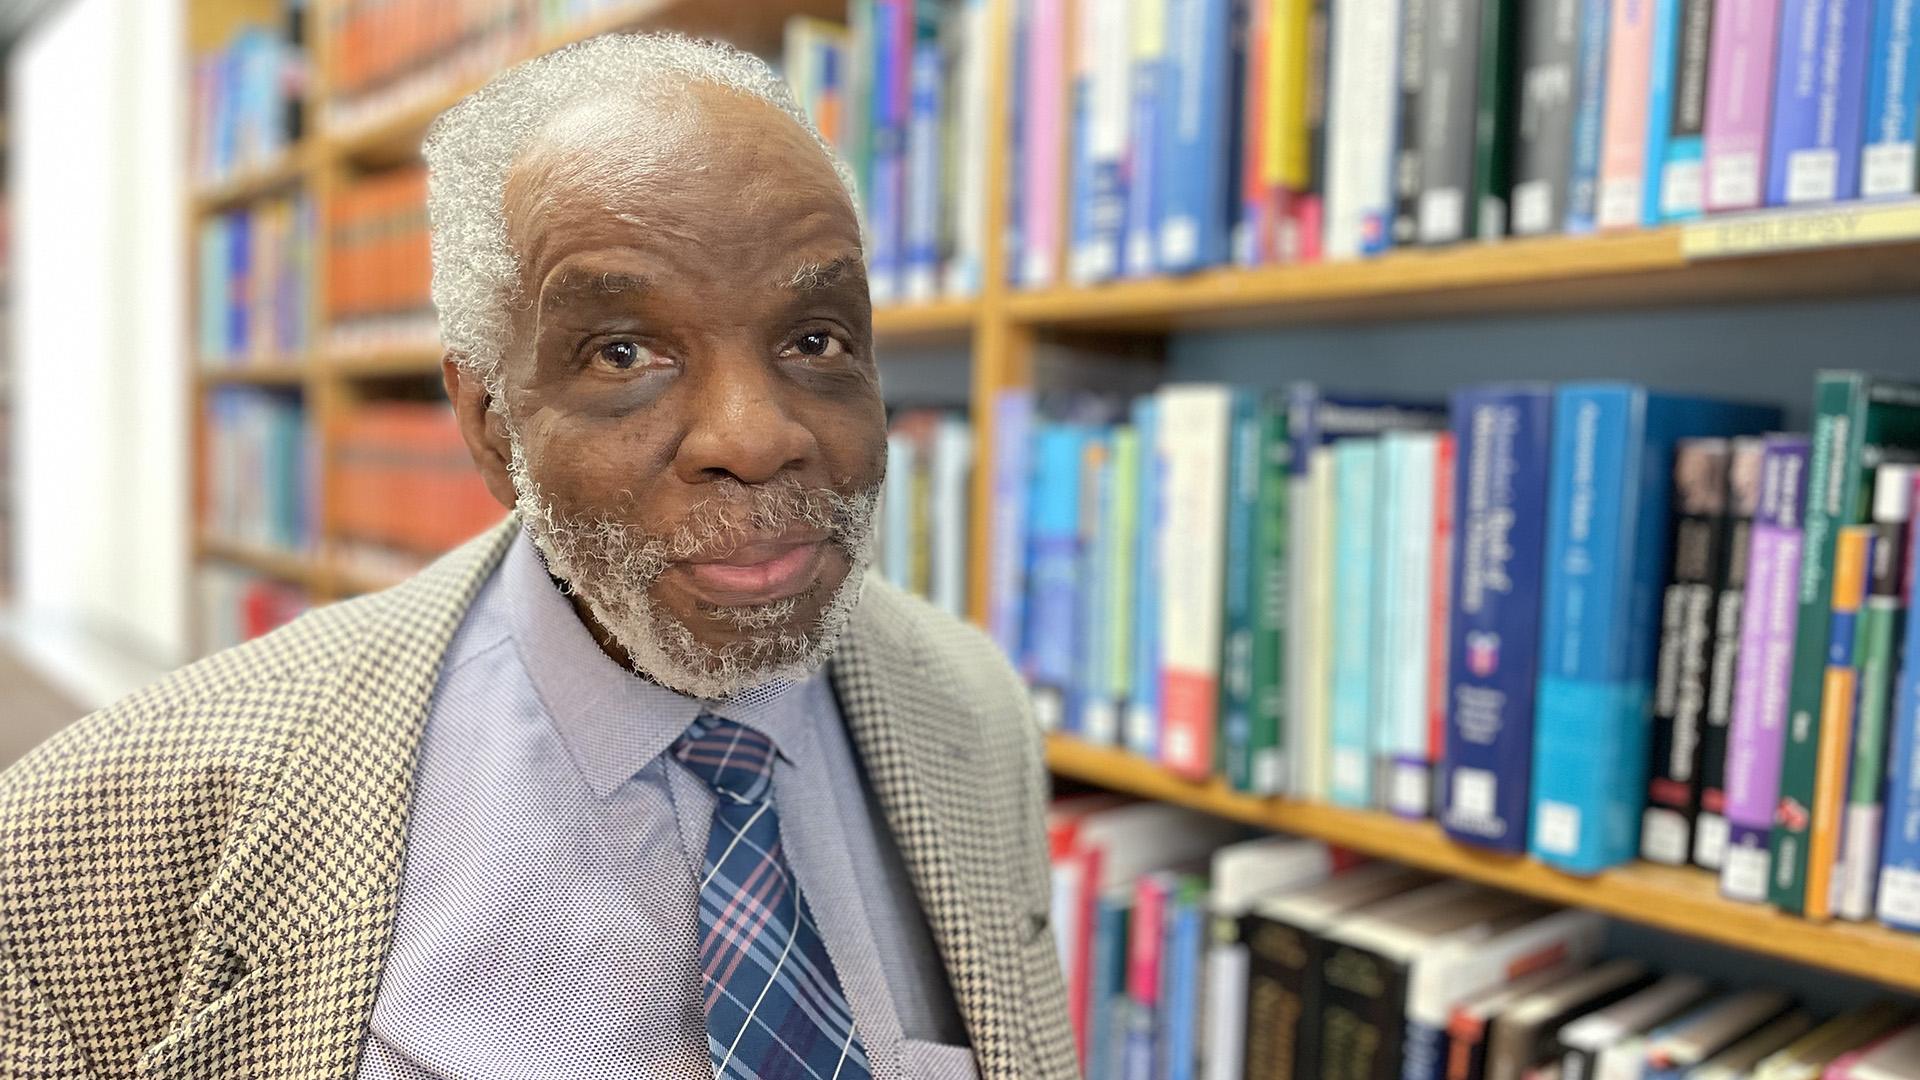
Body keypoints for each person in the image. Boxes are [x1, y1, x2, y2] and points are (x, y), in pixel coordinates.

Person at [0, 33, 1074, 1080]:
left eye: (816, 341)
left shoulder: (969, 709)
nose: (755, 438)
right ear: (491, 424)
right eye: (623, 353)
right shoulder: (93, 834)